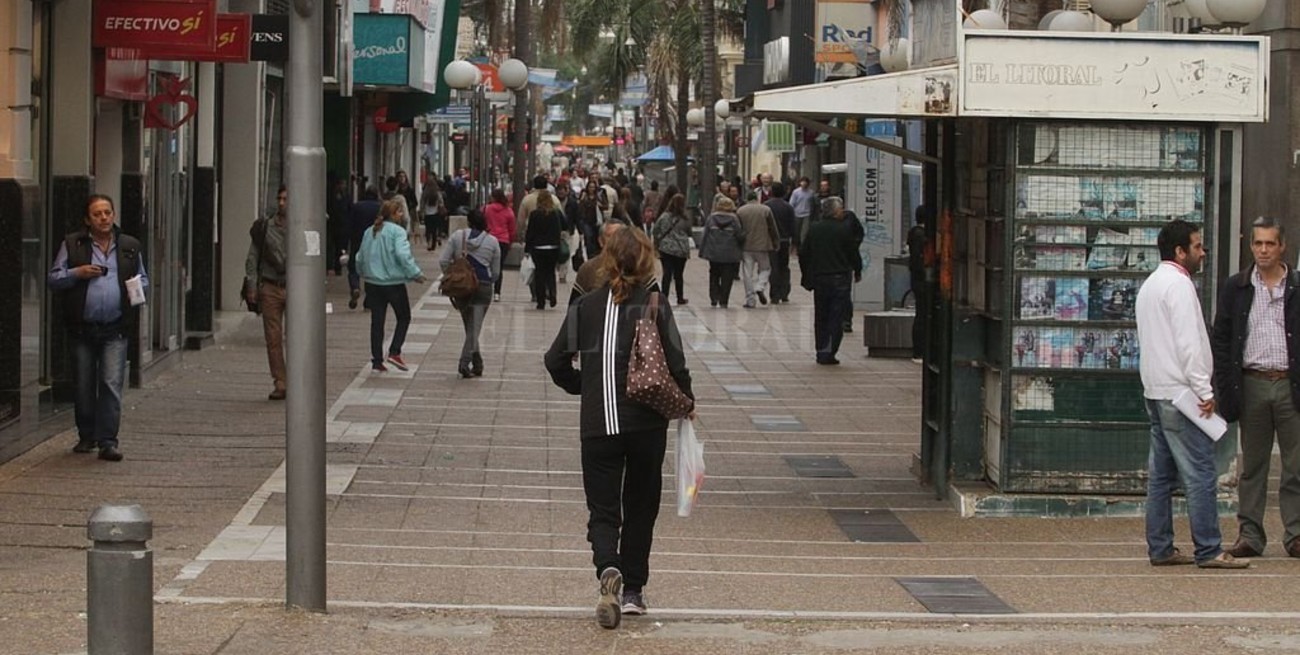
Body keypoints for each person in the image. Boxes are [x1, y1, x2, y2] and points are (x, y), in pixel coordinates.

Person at [543, 227, 695, 629]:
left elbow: (555, 360)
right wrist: (687, 403)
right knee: (642, 505)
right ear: (646, 263)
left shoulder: (586, 307)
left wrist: (584, 385)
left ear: (606, 260)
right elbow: (676, 363)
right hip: (646, 423)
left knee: (603, 508)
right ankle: (633, 592)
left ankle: (608, 567)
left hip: (598, 424)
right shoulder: (656, 304)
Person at [1136, 219, 1247, 569]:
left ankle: (1161, 546)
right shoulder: (1180, 287)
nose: (1203, 252)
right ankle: (1209, 548)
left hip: (1156, 389)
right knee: (1200, 472)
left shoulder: (1151, 285)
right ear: (1180, 251)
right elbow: (1189, 344)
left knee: (1161, 476)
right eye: (1197, 246)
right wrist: (1204, 389)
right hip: (1181, 393)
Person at [1211, 215, 1300, 560]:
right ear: (1251, 246)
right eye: (1257, 243)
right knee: (1253, 466)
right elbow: (1221, 338)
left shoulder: (1295, 285)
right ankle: (1250, 534)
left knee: (1296, 465)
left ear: (1282, 246)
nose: (1263, 250)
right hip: (1252, 382)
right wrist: (1224, 386)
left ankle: (1295, 534)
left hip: (1290, 383)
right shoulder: (1237, 286)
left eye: (1270, 243)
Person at [47, 194, 149, 462]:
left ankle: (108, 441)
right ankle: (86, 435)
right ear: (87, 220)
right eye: (97, 214)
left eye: (107, 212)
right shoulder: (73, 244)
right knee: (83, 384)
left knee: (111, 382)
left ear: (114, 215)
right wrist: (76, 273)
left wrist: (137, 288)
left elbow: (144, 278)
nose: (104, 218)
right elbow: (54, 278)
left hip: (115, 327)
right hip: (82, 327)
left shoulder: (129, 246)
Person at [357, 199, 426, 373]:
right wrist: (415, 273)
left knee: (377, 322)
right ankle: (395, 351)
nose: (402, 215)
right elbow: (403, 255)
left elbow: (360, 256)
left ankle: (377, 360)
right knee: (404, 316)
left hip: (373, 282)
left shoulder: (369, 231)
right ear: (394, 214)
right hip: (393, 283)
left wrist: (362, 272)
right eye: (400, 212)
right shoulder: (398, 232)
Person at [800, 197, 862, 365]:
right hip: (840, 277)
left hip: (820, 277)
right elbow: (852, 252)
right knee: (836, 316)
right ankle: (830, 351)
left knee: (821, 316)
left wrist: (806, 275)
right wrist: (858, 270)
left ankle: (821, 350)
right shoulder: (844, 230)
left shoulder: (814, 229)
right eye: (841, 208)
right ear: (835, 211)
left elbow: (804, 253)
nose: (842, 211)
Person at [440, 210, 502, 378]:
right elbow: (496, 272)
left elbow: (444, 260)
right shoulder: (493, 242)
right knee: (474, 327)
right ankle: (464, 362)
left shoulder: (457, 237)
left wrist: (452, 275)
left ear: (468, 222)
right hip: (483, 287)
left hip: (461, 287)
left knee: (470, 326)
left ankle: (478, 363)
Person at [244, 186, 291, 398]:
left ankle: (298, 378)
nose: (281, 203)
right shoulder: (265, 228)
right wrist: (252, 286)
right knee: (273, 337)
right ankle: (280, 381)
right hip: (271, 286)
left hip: (295, 286)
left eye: (286, 199)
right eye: (279, 198)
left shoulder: (302, 226)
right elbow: (252, 257)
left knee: (298, 336)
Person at [698, 196, 746, 309]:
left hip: (714, 252)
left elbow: (705, 234)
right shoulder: (734, 219)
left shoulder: (711, 218)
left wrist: (702, 250)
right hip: (729, 253)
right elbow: (739, 235)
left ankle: (714, 297)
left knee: (714, 274)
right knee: (727, 277)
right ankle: (724, 300)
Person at [737, 191, 780, 308]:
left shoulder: (741, 211)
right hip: (763, 245)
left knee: (747, 273)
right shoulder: (766, 210)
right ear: (757, 198)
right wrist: (776, 242)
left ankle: (750, 300)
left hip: (746, 246)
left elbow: (738, 228)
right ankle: (760, 286)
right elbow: (772, 227)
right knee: (765, 269)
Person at [525, 190, 565, 309]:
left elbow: (530, 233)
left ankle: (540, 301)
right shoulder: (556, 213)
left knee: (539, 274)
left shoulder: (534, 214)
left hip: (538, 248)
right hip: (553, 247)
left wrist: (527, 249)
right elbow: (565, 225)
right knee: (550, 272)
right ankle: (552, 293)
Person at [346, 187, 383, 309]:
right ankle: (368, 301)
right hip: (374, 242)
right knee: (370, 270)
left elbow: (350, 224)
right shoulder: (380, 207)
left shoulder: (357, 207)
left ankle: (355, 287)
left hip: (357, 241)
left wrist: (348, 240)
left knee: (353, 267)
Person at [652, 193, 692, 306]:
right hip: (681, 249)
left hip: (666, 248)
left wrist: (657, 242)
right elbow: (689, 232)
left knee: (667, 274)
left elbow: (655, 230)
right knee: (679, 275)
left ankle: (664, 296)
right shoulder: (685, 218)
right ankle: (680, 297)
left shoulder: (664, 216)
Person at [907, 206, 934, 362]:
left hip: (917, 279)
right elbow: (919, 260)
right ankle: (919, 350)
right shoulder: (920, 236)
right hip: (921, 280)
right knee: (922, 314)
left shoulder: (914, 234)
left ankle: (920, 350)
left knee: (922, 313)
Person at [765, 183, 797, 304]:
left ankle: (774, 294)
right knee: (784, 266)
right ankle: (784, 292)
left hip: (771, 241)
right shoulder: (788, 207)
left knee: (774, 267)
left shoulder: (767, 206)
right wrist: (795, 241)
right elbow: (793, 225)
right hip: (784, 241)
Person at [483, 188, 516, 301]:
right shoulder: (509, 211)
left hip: (489, 239)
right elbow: (512, 230)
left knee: (486, 264)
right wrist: (511, 242)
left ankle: (486, 288)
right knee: (499, 266)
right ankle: (497, 292)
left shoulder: (487, 209)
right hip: (503, 241)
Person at [419, 178, 445, 251]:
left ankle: (428, 242)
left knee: (428, 229)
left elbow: (422, 203)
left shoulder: (425, 193)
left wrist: (421, 212)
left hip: (427, 214)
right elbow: (441, 202)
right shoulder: (437, 192)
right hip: (435, 213)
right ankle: (433, 244)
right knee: (434, 230)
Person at [790, 176, 815, 248]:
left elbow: (812, 203)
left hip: (807, 214)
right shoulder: (796, 192)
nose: (803, 184)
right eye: (802, 182)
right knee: (796, 231)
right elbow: (792, 203)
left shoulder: (811, 193)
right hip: (797, 214)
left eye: (805, 182)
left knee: (804, 232)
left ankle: (803, 246)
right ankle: (796, 245)